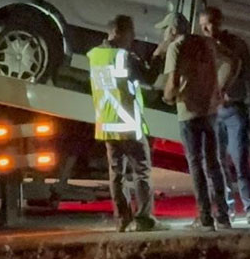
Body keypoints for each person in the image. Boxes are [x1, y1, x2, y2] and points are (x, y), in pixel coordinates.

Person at [154, 12, 230, 230]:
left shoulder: (176, 47)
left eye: (165, 30)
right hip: (210, 111)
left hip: (188, 113)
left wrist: (168, 97)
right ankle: (224, 216)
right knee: (214, 163)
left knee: (196, 165)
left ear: (172, 30)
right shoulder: (206, 43)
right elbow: (233, 60)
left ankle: (205, 218)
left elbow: (172, 82)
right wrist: (220, 88)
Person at [88, 15, 159, 232]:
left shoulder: (95, 55)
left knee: (116, 175)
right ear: (120, 32)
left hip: (107, 126)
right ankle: (144, 220)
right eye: (131, 33)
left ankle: (122, 220)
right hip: (128, 126)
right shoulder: (124, 57)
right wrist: (158, 53)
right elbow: (150, 77)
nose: (133, 38)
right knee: (142, 173)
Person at [200, 7, 250, 224]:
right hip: (213, 112)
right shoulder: (202, 47)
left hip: (235, 109)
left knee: (240, 159)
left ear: (220, 22)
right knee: (218, 162)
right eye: (204, 25)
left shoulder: (235, 45)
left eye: (211, 23)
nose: (208, 29)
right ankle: (227, 207)